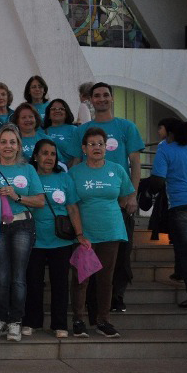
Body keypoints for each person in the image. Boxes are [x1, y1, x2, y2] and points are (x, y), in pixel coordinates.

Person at [75, 82, 143, 313]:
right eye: (97, 95)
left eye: (106, 95)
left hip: (119, 200)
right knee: (89, 257)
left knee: (121, 255)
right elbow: (75, 162)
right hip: (89, 206)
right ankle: (91, 302)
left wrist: (132, 195)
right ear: (90, 100)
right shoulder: (82, 130)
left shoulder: (127, 126)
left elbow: (135, 163)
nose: (102, 99)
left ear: (112, 98)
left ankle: (117, 297)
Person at [68, 127, 136, 338]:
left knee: (106, 278)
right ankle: (78, 319)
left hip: (112, 232)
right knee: (81, 278)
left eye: (100, 144)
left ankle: (103, 321)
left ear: (106, 147)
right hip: (85, 234)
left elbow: (125, 197)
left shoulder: (117, 169)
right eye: (92, 144)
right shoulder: (75, 172)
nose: (96, 147)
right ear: (84, 148)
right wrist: (79, 233)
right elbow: (71, 205)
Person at [0, 124, 44, 342]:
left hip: (22, 226)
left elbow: (40, 201)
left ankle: (16, 320)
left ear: (19, 146)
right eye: (4, 142)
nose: (8, 146)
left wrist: (17, 197)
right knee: (1, 276)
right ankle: (0, 318)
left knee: (18, 277)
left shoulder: (28, 169)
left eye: (12, 142)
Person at [23, 140, 88, 338]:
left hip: (60, 240)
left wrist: (79, 234)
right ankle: (32, 322)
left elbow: (72, 208)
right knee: (33, 282)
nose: (49, 158)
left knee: (60, 284)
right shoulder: (28, 177)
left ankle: (59, 324)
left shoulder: (64, 178)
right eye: (44, 153)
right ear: (36, 156)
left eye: (53, 154)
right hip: (33, 239)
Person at [150, 120, 187, 309]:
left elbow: (158, 180)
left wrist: (148, 190)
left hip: (182, 206)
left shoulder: (165, 149)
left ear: (171, 134)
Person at [42, 98, 78, 167]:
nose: (57, 111)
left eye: (61, 109)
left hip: (69, 170)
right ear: (48, 114)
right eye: (53, 109)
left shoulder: (74, 130)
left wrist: (71, 170)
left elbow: (78, 155)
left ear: (66, 113)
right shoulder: (43, 132)